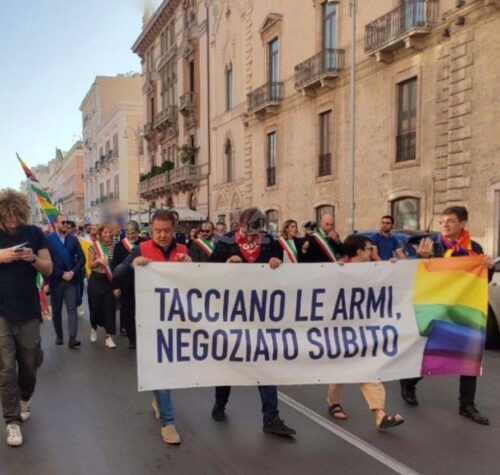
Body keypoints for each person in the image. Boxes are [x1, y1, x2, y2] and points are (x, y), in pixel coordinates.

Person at [400, 206, 495, 425]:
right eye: (442, 221)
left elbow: (482, 280)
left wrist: (488, 268)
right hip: (437, 309)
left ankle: (467, 405)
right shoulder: (431, 245)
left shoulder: (474, 248)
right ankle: (409, 381)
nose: (444, 225)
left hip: (465, 309)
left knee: (470, 355)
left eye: (450, 221)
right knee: (435, 353)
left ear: (462, 224)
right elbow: (416, 276)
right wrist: (423, 259)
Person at [209, 207, 296, 436]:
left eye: (255, 234)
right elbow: (207, 272)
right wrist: (226, 264)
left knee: (265, 365)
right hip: (232, 313)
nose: (251, 238)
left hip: (261, 313)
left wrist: (278, 262)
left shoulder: (270, 242)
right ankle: (220, 403)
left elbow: (286, 273)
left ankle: (271, 418)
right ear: (240, 226)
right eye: (248, 233)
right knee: (229, 361)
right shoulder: (225, 242)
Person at [115, 210, 192, 445]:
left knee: (170, 368)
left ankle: (159, 398)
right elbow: (117, 274)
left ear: (174, 229)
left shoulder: (184, 250)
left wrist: (192, 266)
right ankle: (168, 422)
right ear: (151, 229)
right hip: (150, 319)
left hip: (178, 319)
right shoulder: (141, 249)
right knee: (159, 367)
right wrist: (132, 265)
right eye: (158, 230)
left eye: (167, 231)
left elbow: (202, 280)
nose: (162, 235)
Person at [326, 234, 404, 430]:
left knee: (368, 368)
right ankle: (333, 402)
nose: (373, 251)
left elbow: (391, 284)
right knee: (341, 369)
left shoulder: (374, 270)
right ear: (359, 252)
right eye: (370, 248)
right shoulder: (338, 270)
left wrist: (392, 268)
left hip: (366, 330)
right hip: (342, 329)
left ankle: (379, 414)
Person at [0, 189, 52, 447]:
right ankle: (12, 422)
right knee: (7, 367)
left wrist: (32, 259)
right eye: (6, 219)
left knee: (29, 362)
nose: (11, 223)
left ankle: (24, 397)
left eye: (15, 218)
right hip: (1, 312)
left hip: (29, 310)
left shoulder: (34, 233)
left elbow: (48, 268)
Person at [46, 214, 85, 348]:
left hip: (71, 279)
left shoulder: (73, 239)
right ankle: (59, 335)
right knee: (56, 310)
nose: (66, 224)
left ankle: (72, 338)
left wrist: (72, 272)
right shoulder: (48, 240)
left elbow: (82, 259)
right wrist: (60, 274)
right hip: (56, 280)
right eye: (62, 222)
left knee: (72, 307)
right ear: (55, 224)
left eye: (67, 222)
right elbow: (47, 260)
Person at [111, 221, 143, 349]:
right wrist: (116, 286)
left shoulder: (144, 244)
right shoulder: (119, 246)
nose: (130, 236)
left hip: (143, 282)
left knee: (142, 310)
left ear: (138, 232)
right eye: (128, 233)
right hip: (126, 283)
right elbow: (115, 267)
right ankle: (132, 338)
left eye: (133, 233)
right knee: (128, 311)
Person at [87, 223, 118, 348]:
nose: (108, 235)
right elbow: (90, 265)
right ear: (100, 234)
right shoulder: (94, 246)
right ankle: (93, 328)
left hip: (110, 280)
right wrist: (98, 261)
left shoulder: (116, 246)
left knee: (109, 308)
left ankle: (109, 337)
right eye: (105, 232)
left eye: (109, 232)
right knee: (95, 308)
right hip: (96, 280)